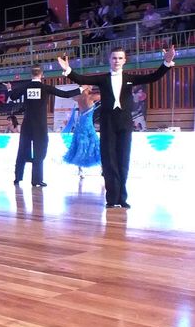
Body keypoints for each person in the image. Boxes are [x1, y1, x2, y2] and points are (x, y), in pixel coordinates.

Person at [57, 46, 175, 208]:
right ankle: (111, 199)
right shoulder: (103, 79)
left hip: (125, 123)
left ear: (124, 60)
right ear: (109, 60)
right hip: (108, 124)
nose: (117, 61)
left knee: (123, 160)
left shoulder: (130, 78)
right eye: (114, 58)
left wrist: (167, 62)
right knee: (109, 160)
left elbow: (153, 77)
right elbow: (81, 78)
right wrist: (68, 70)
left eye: (120, 58)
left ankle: (122, 198)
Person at [4, 65, 83, 187]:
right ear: (42, 75)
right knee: (39, 152)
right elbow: (66, 94)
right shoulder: (45, 88)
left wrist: (9, 89)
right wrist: (81, 89)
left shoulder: (26, 86)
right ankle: (37, 180)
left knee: (22, 150)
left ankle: (18, 178)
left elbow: (13, 96)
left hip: (27, 125)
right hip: (40, 126)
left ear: (31, 75)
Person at [62, 87, 101, 177]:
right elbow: (103, 95)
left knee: (80, 146)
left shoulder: (78, 98)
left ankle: (80, 170)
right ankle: (102, 168)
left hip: (80, 124)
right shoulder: (90, 97)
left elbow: (71, 96)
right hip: (88, 124)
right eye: (90, 86)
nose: (91, 87)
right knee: (95, 145)